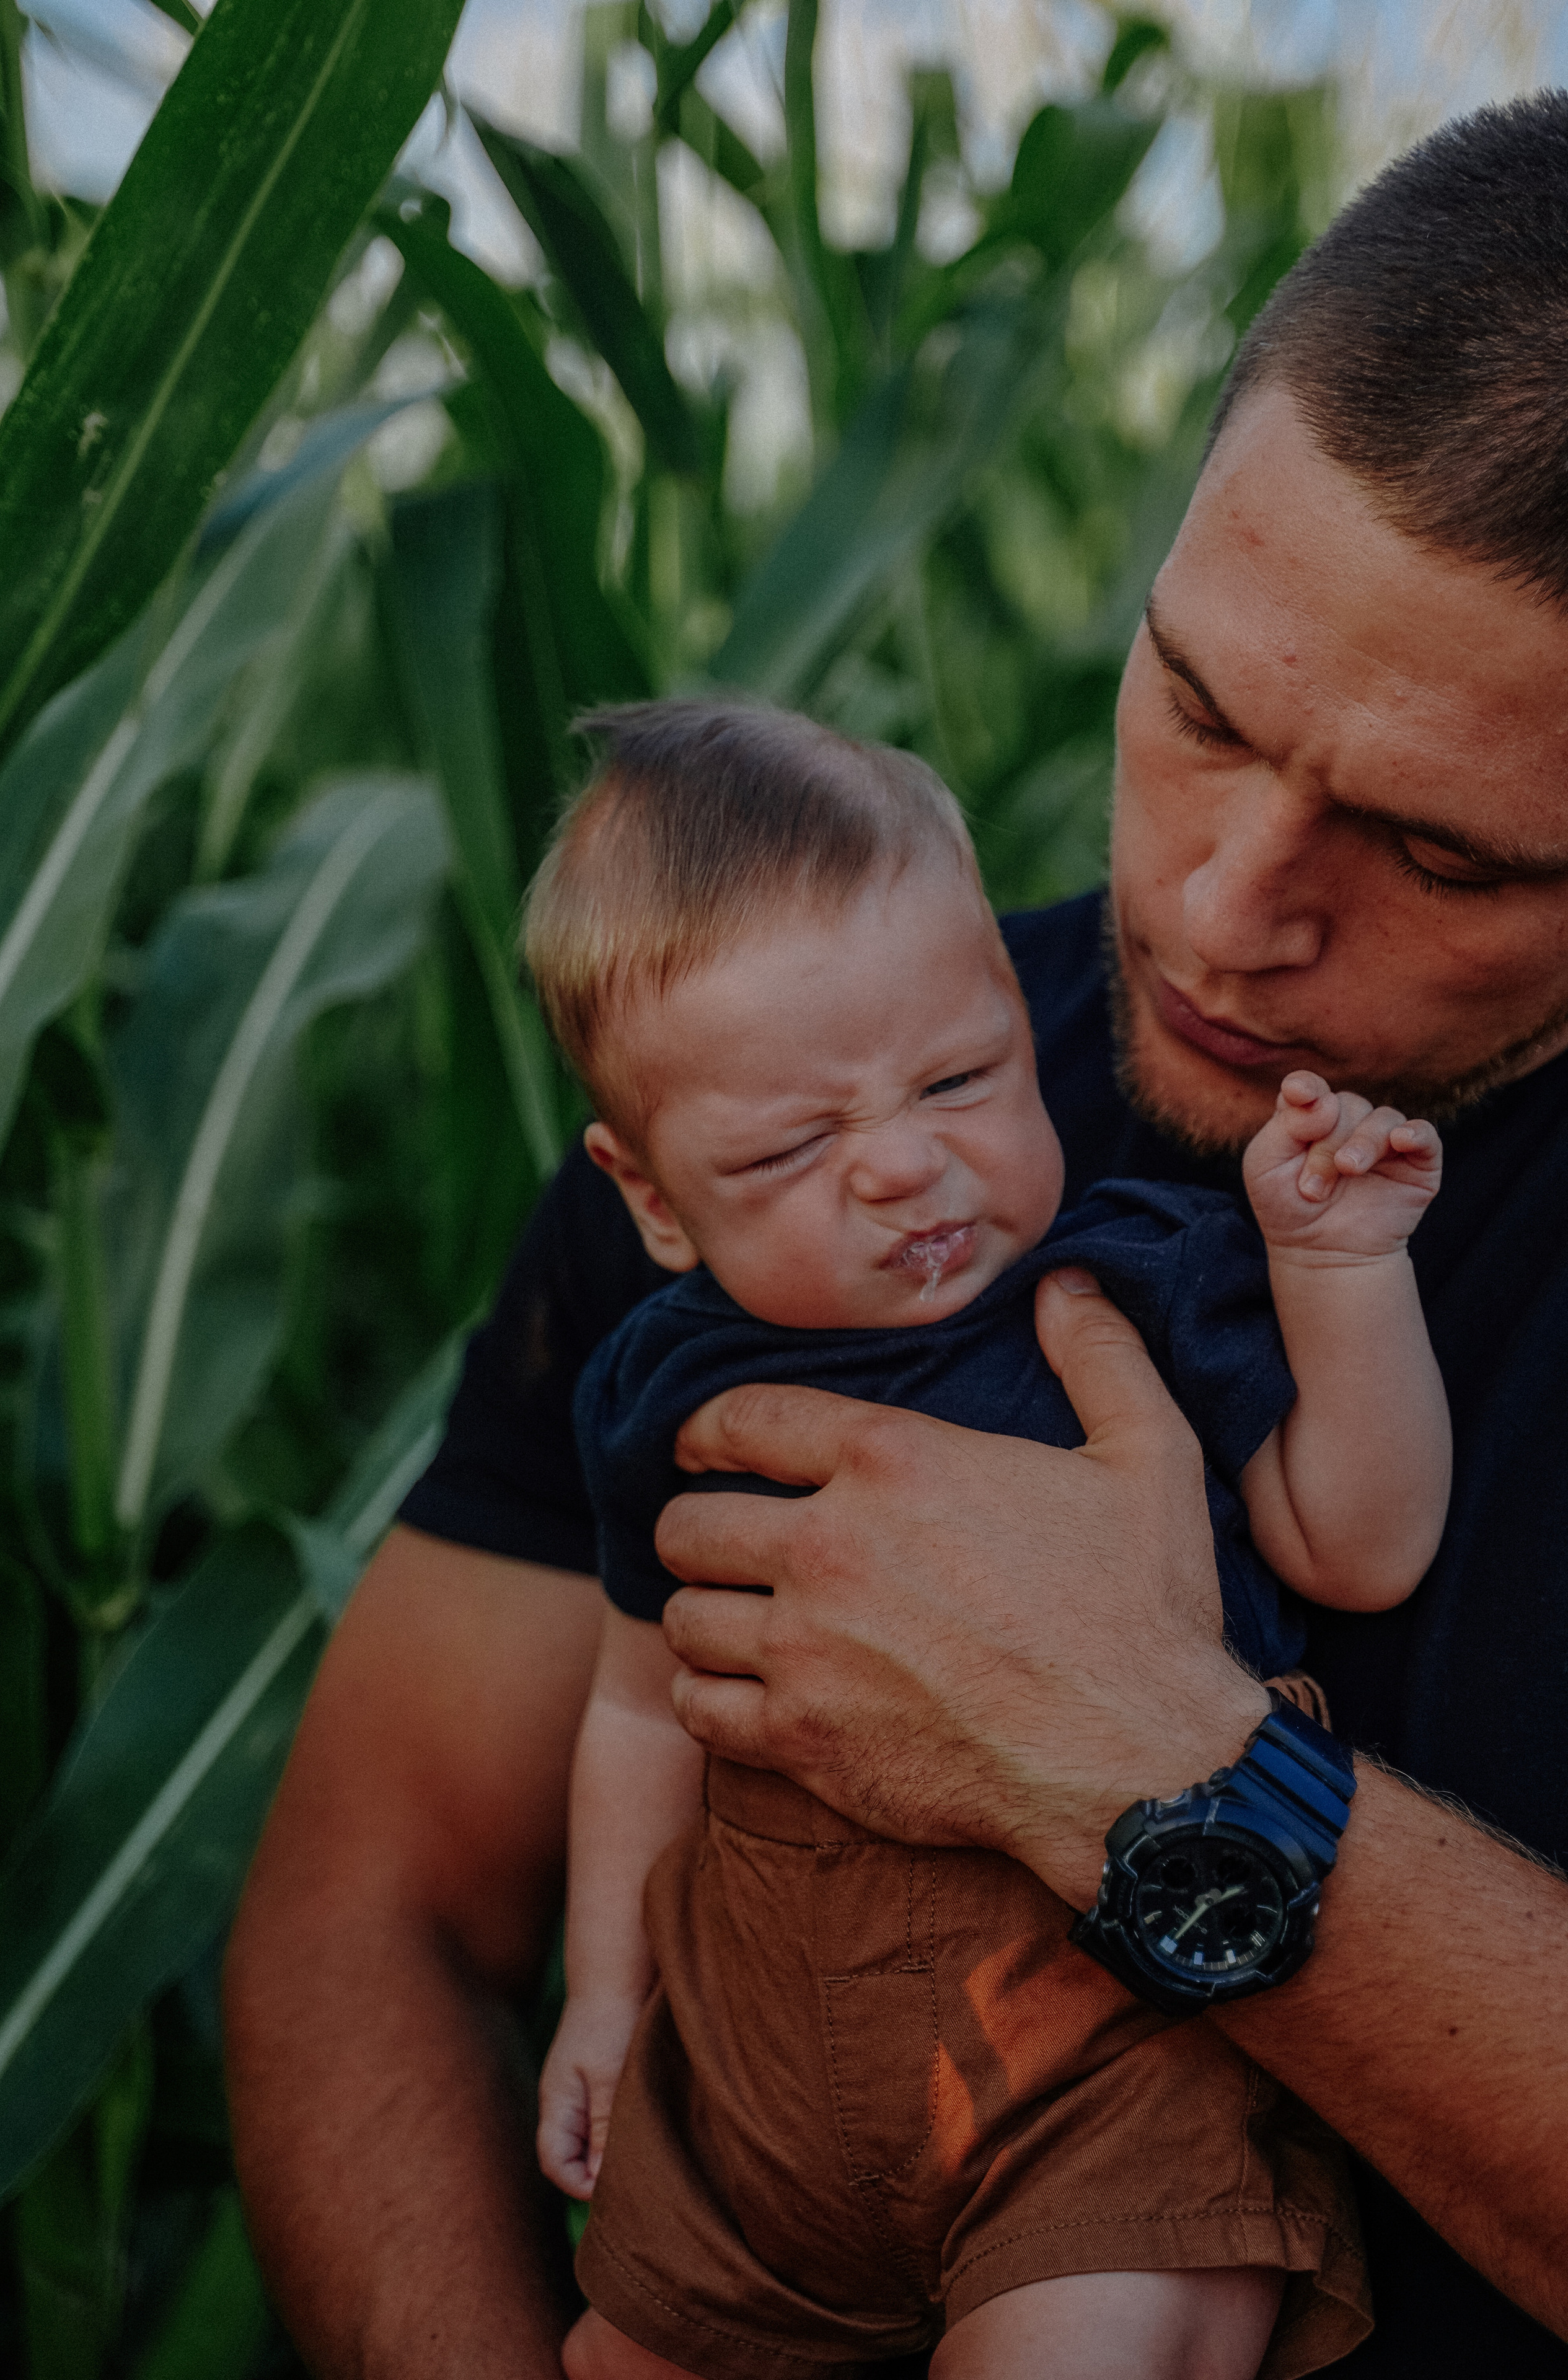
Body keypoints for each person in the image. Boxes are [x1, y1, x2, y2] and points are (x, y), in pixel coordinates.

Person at [223, 90, 1568, 2379]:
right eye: (1197, 706)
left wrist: (1162, 1765)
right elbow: (373, 1901)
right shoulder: (789, 1134)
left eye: (1443, 859)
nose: (1229, 915)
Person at [524, 699, 1447, 2380]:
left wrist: (1339, 1276)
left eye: (959, 1078)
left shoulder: (1137, 1284)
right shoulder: (657, 1388)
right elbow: (637, 1702)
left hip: (1099, 2069)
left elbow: (1357, 1543)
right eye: (795, 1145)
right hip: (749, 2094)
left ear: (1023, 1026)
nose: (903, 1165)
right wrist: (602, 1998)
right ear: (651, 1196)